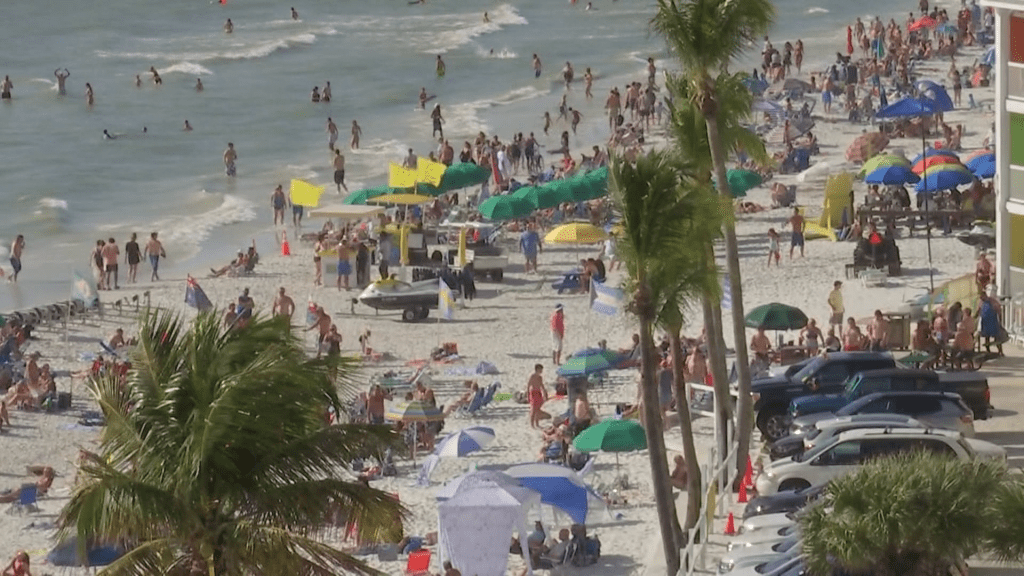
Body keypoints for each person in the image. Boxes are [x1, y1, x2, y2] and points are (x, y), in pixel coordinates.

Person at [526, 364, 550, 428]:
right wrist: (528, 395)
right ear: (537, 369)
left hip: (538, 393)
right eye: (540, 369)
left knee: (538, 409)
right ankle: (532, 424)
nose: (541, 371)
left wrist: (545, 393)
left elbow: (541, 386)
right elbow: (528, 386)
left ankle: (537, 423)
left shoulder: (540, 377)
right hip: (533, 393)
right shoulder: (532, 376)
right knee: (533, 409)